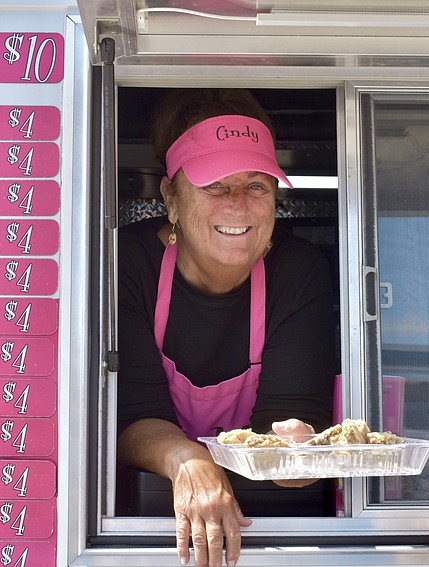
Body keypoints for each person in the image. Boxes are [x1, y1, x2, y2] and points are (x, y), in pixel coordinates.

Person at [117, 89, 335, 567]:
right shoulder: (128, 264)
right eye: (215, 185)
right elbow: (130, 419)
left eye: (256, 185)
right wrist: (188, 460)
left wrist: (300, 450)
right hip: (145, 527)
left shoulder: (298, 272)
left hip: (270, 531)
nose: (238, 204)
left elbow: (293, 419)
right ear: (170, 198)